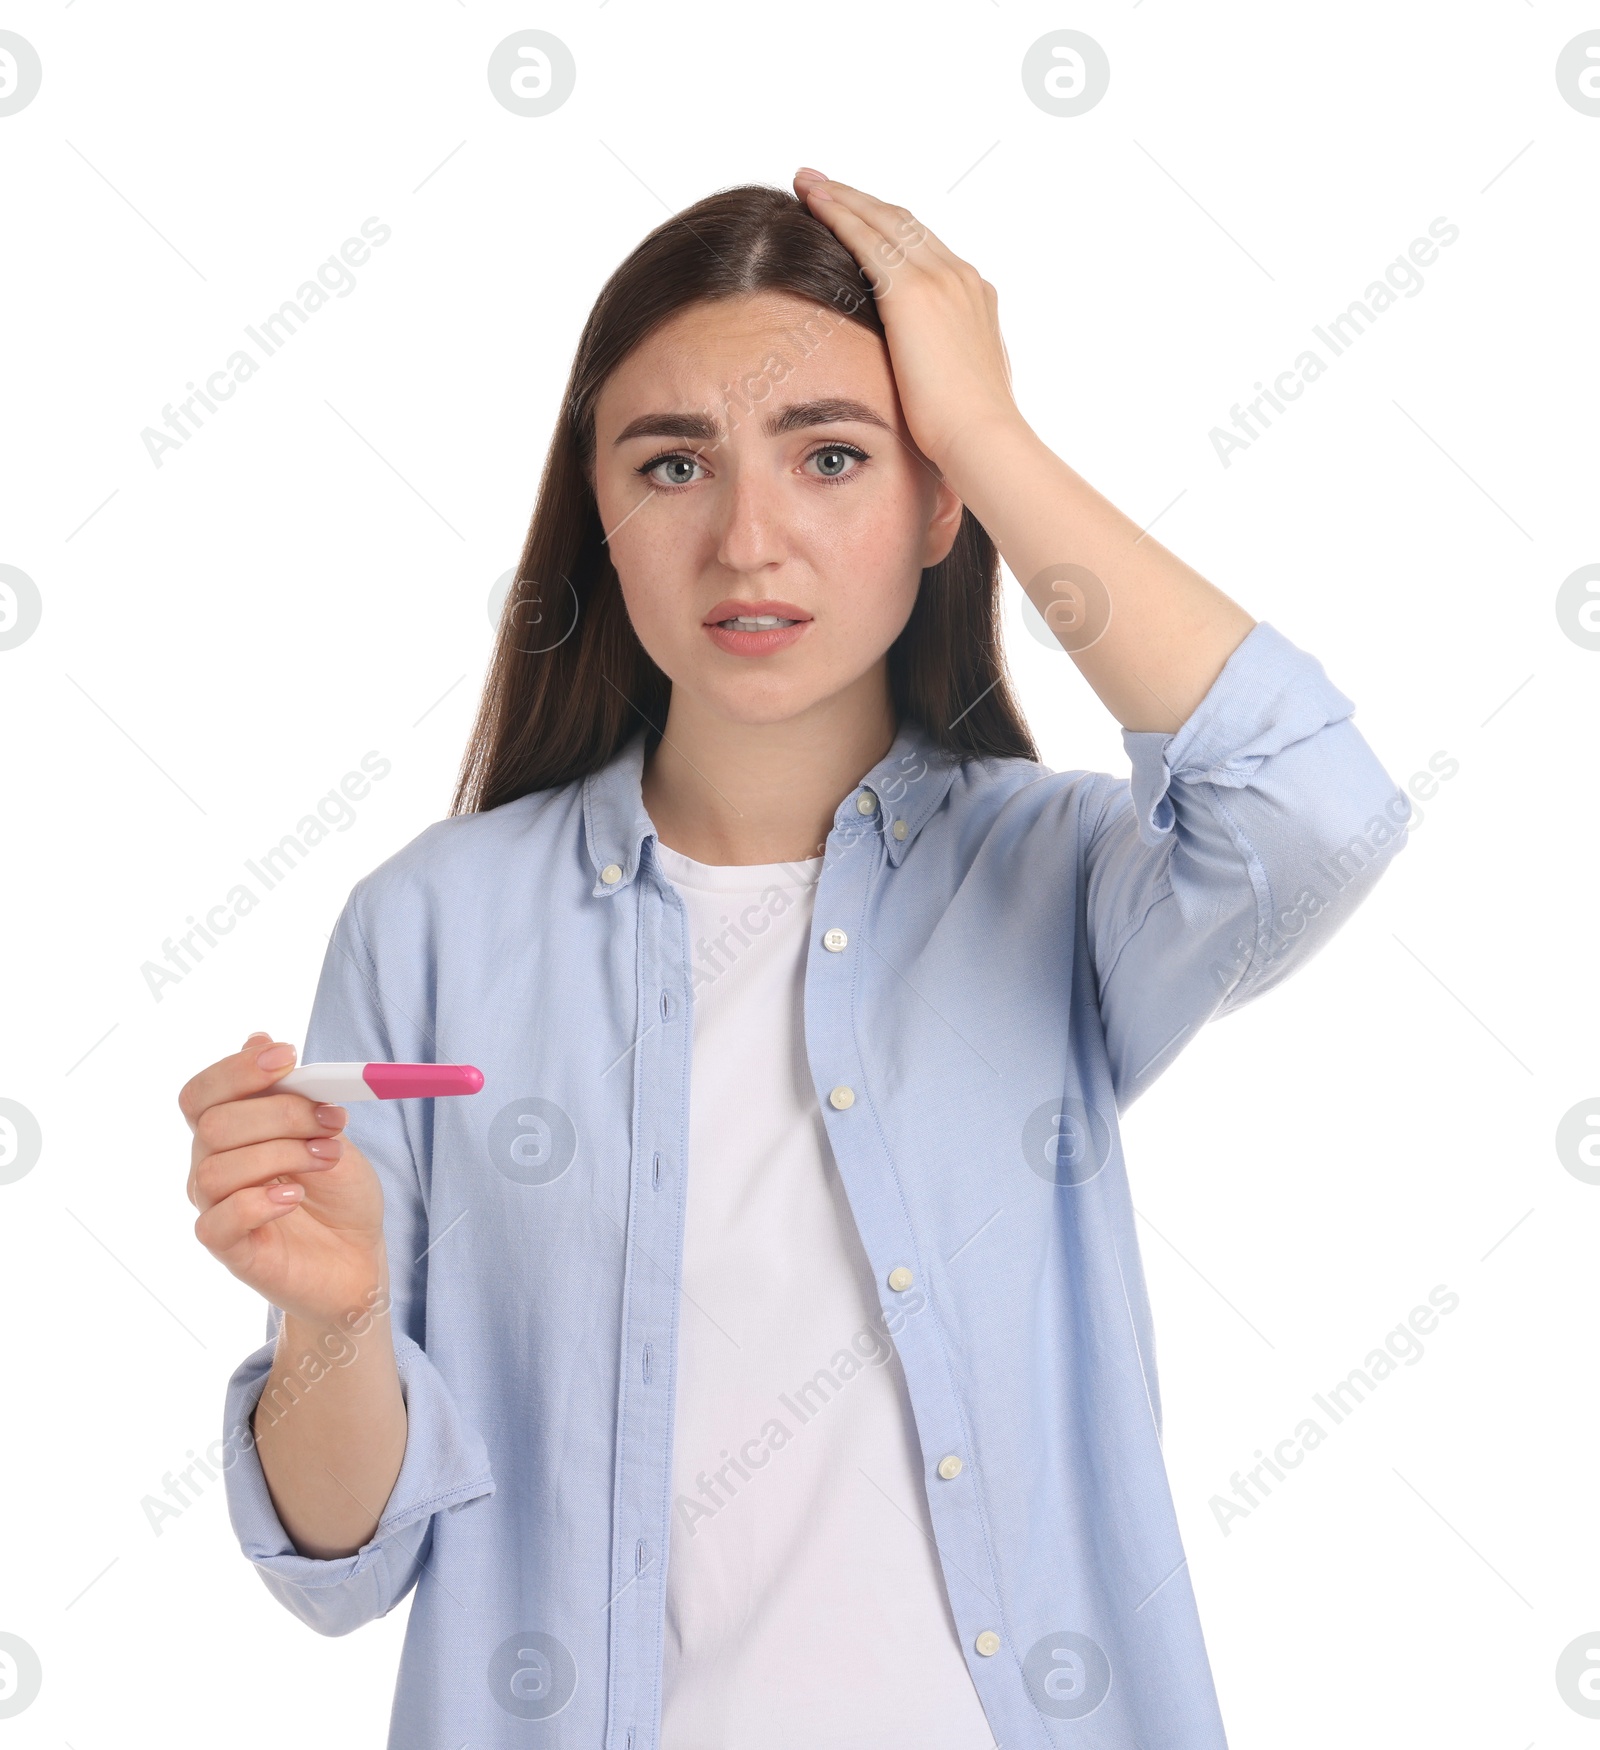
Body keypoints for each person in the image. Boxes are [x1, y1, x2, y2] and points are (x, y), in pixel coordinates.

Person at [181, 171, 1410, 1748]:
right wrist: (335, 1313)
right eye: (673, 463)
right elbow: (346, 1561)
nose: (748, 539)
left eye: (835, 456)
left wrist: (994, 432)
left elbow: (1316, 811)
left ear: (939, 501)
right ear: (602, 513)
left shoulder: (1058, 879)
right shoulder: (432, 928)